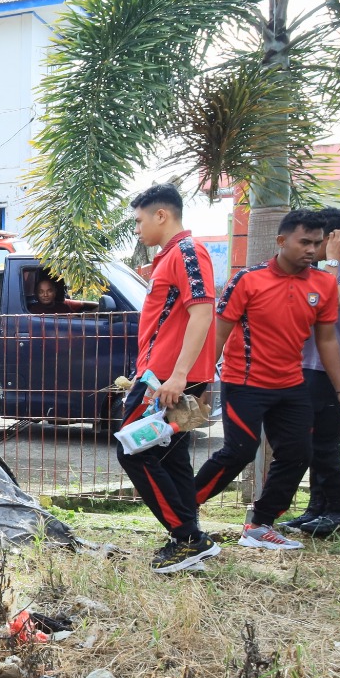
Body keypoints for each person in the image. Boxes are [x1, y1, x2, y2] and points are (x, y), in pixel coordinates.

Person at [194, 210, 340, 549]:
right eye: (304, 242)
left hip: (292, 385)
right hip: (245, 382)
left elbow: (326, 340)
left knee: (299, 453)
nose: (312, 249)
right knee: (238, 451)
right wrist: (204, 382)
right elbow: (218, 335)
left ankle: (259, 524)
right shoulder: (248, 279)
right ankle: (182, 510)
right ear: (281, 241)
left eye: (317, 242)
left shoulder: (324, 283)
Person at [115, 184, 221, 573]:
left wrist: (177, 377)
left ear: (162, 215)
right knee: (172, 456)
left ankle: (188, 538)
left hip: (166, 380)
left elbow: (203, 313)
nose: (138, 229)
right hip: (159, 375)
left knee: (133, 450)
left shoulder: (187, 252)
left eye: (140, 220)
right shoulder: (171, 256)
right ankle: (189, 536)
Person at [281, 208, 340, 538]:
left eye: (317, 240)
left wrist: (334, 261)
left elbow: (331, 302)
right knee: (311, 441)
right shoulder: (316, 271)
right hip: (308, 366)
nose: (311, 248)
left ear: (336, 238)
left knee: (324, 442)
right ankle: (317, 508)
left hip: (337, 370)